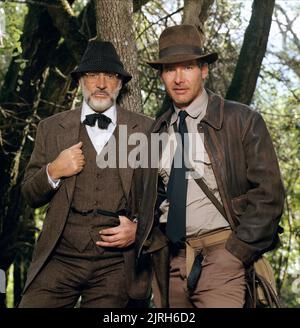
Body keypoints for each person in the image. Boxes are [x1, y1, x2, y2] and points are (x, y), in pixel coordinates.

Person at [146, 24, 285, 308]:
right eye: (170, 69)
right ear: (162, 75)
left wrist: (236, 253)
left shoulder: (241, 120)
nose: (179, 78)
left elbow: (269, 196)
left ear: (204, 70)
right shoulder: (157, 132)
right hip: (171, 264)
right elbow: (154, 200)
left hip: (222, 258)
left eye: (187, 67)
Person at [19, 39, 156, 308]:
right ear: (81, 80)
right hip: (60, 257)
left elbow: (163, 197)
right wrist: (53, 170)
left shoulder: (146, 130)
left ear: (120, 83)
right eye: (93, 75)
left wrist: (139, 229)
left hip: (115, 264)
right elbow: (29, 194)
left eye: (110, 76)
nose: (101, 83)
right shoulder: (51, 128)